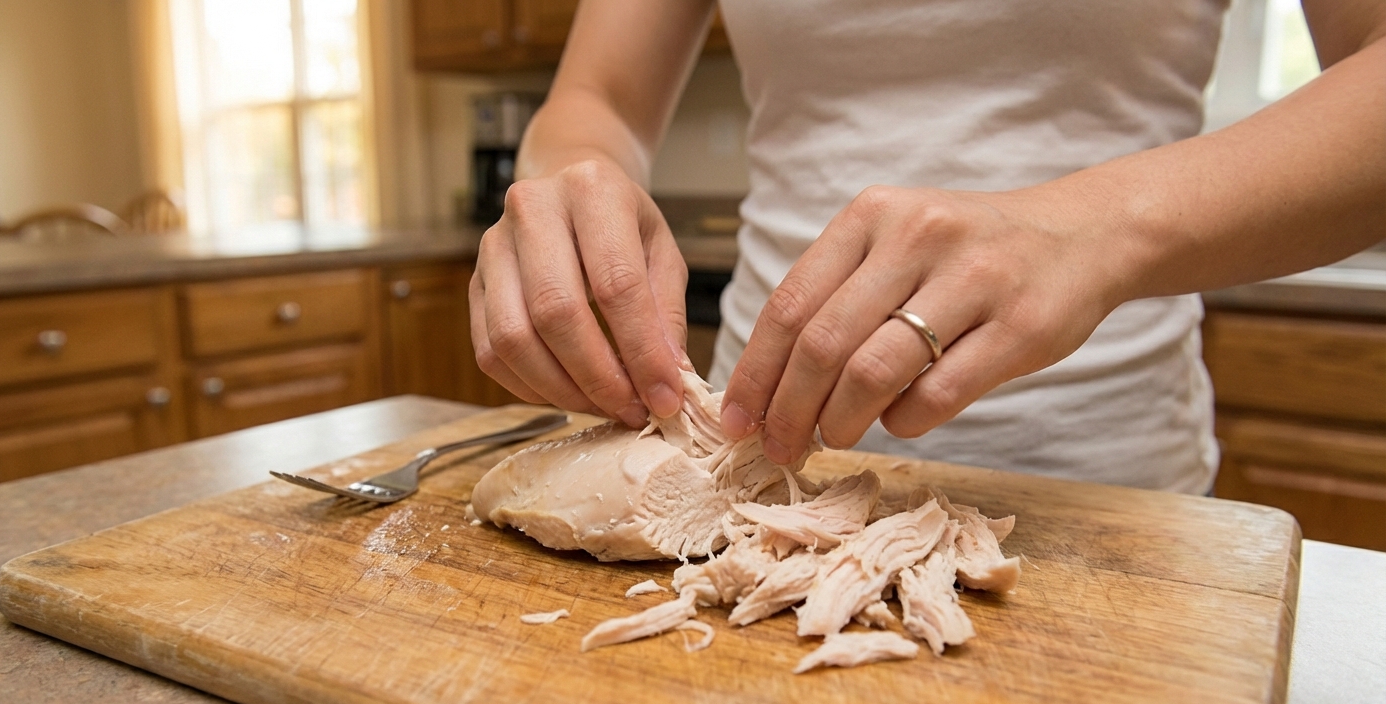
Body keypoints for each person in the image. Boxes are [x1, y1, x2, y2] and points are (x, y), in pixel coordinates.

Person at [468, 0, 1386, 494]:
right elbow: (601, 97)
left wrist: (1093, 226)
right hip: (754, 459)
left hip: (1102, 471)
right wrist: (569, 182)